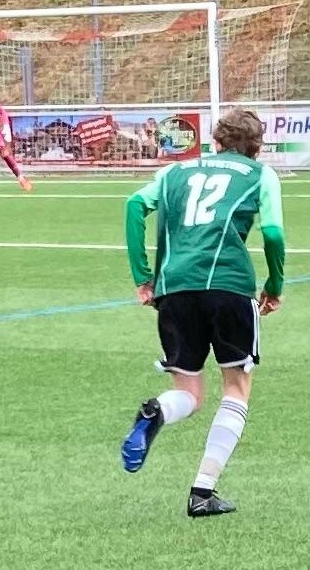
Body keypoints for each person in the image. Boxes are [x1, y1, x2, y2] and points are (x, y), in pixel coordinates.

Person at [120, 107, 285, 518]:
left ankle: (157, 411)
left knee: (189, 393)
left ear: (215, 141)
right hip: (229, 286)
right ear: (257, 147)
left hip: (175, 289)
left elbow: (134, 206)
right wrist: (275, 285)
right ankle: (202, 492)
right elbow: (273, 233)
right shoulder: (260, 174)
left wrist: (143, 276)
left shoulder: (173, 172)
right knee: (237, 388)